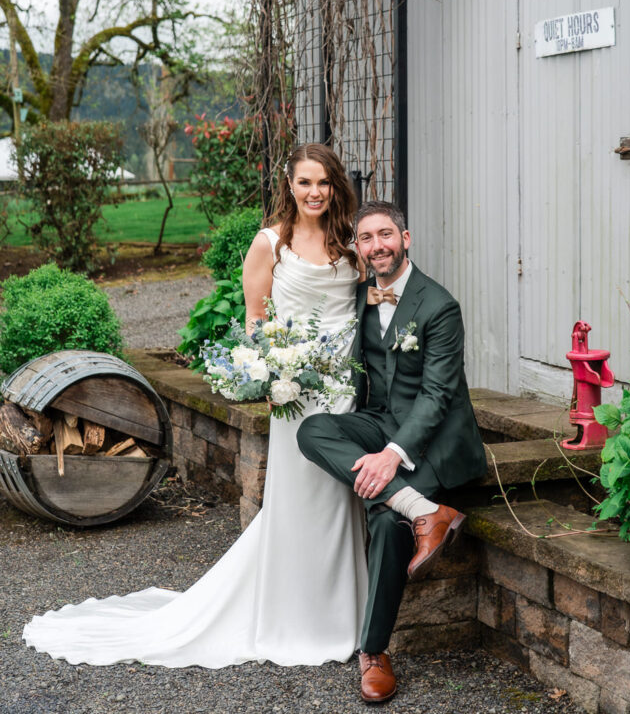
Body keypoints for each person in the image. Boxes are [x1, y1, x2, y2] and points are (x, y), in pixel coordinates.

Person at [23, 143, 368, 667]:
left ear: (335, 185)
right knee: (302, 502)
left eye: (323, 182)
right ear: (290, 186)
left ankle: (345, 612)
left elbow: (366, 307)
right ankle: (293, 618)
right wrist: (276, 370)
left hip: (346, 390)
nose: (314, 192)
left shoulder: (350, 243)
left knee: (341, 499)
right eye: (305, 182)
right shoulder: (270, 244)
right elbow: (256, 320)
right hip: (296, 394)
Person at [297, 199, 487, 703]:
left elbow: (437, 396)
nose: (376, 246)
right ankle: (425, 510)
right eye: (366, 238)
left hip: (436, 440)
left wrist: (392, 455)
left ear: (406, 239)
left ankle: (374, 652)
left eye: (385, 235)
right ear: (358, 247)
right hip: (379, 420)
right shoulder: (361, 297)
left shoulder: (439, 305)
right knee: (311, 431)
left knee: (383, 519)